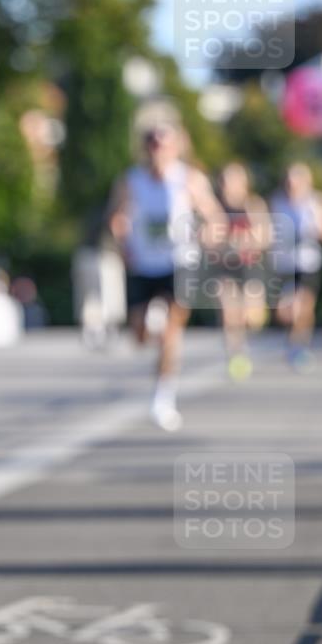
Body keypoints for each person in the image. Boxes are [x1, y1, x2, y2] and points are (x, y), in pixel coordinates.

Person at [109, 124, 225, 431]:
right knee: (139, 334)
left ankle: (163, 398)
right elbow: (116, 217)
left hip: (179, 262)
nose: (157, 150)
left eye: (163, 144)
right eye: (152, 144)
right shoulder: (131, 180)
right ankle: (148, 324)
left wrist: (207, 233)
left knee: (172, 333)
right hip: (143, 263)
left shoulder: (189, 179)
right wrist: (121, 240)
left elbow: (215, 217)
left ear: (176, 147)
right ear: (145, 148)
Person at [270, 163, 322, 371]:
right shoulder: (276, 201)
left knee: (304, 306)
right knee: (285, 311)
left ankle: (300, 346)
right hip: (283, 264)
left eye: (297, 180)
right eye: (290, 180)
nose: (293, 184)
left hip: (308, 263)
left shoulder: (317, 202)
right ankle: (292, 338)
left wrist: (321, 228)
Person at [213, 162, 271, 381]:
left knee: (252, 318)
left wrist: (244, 241)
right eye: (225, 180)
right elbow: (209, 237)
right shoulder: (215, 207)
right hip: (225, 267)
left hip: (250, 266)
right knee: (229, 314)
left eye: (234, 179)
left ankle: (244, 342)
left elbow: (265, 237)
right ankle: (235, 354)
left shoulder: (253, 205)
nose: (229, 185)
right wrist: (224, 244)